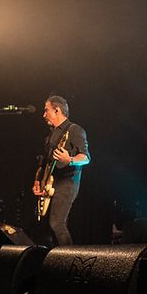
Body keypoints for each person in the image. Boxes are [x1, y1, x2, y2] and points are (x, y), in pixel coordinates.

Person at [32, 96, 90, 247]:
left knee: (57, 224)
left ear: (57, 110)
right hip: (50, 184)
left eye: (46, 110)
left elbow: (86, 158)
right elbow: (43, 163)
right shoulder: (51, 135)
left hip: (67, 183)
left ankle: (68, 261)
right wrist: (38, 181)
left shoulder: (75, 130)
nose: (43, 115)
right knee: (48, 229)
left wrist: (69, 160)